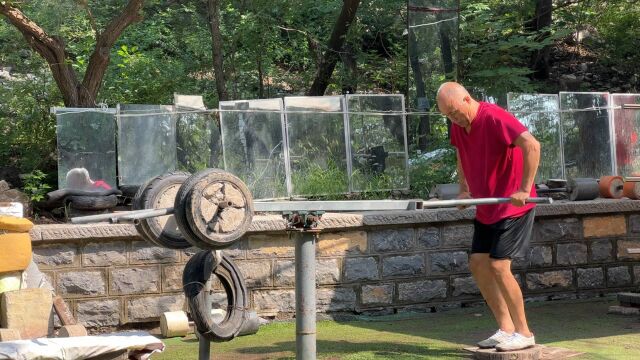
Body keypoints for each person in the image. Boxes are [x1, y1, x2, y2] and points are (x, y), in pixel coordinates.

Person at [436, 82, 541, 352]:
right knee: (479, 264)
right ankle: (506, 329)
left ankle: (524, 333)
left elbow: (531, 145)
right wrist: (464, 190)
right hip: (487, 207)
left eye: (456, 112)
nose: (454, 118)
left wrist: (524, 189)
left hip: (513, 206)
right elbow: (461, 153)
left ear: (467, 99)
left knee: (498, 266)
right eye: (448, 115)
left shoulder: (494, 116)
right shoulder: (458, 126)